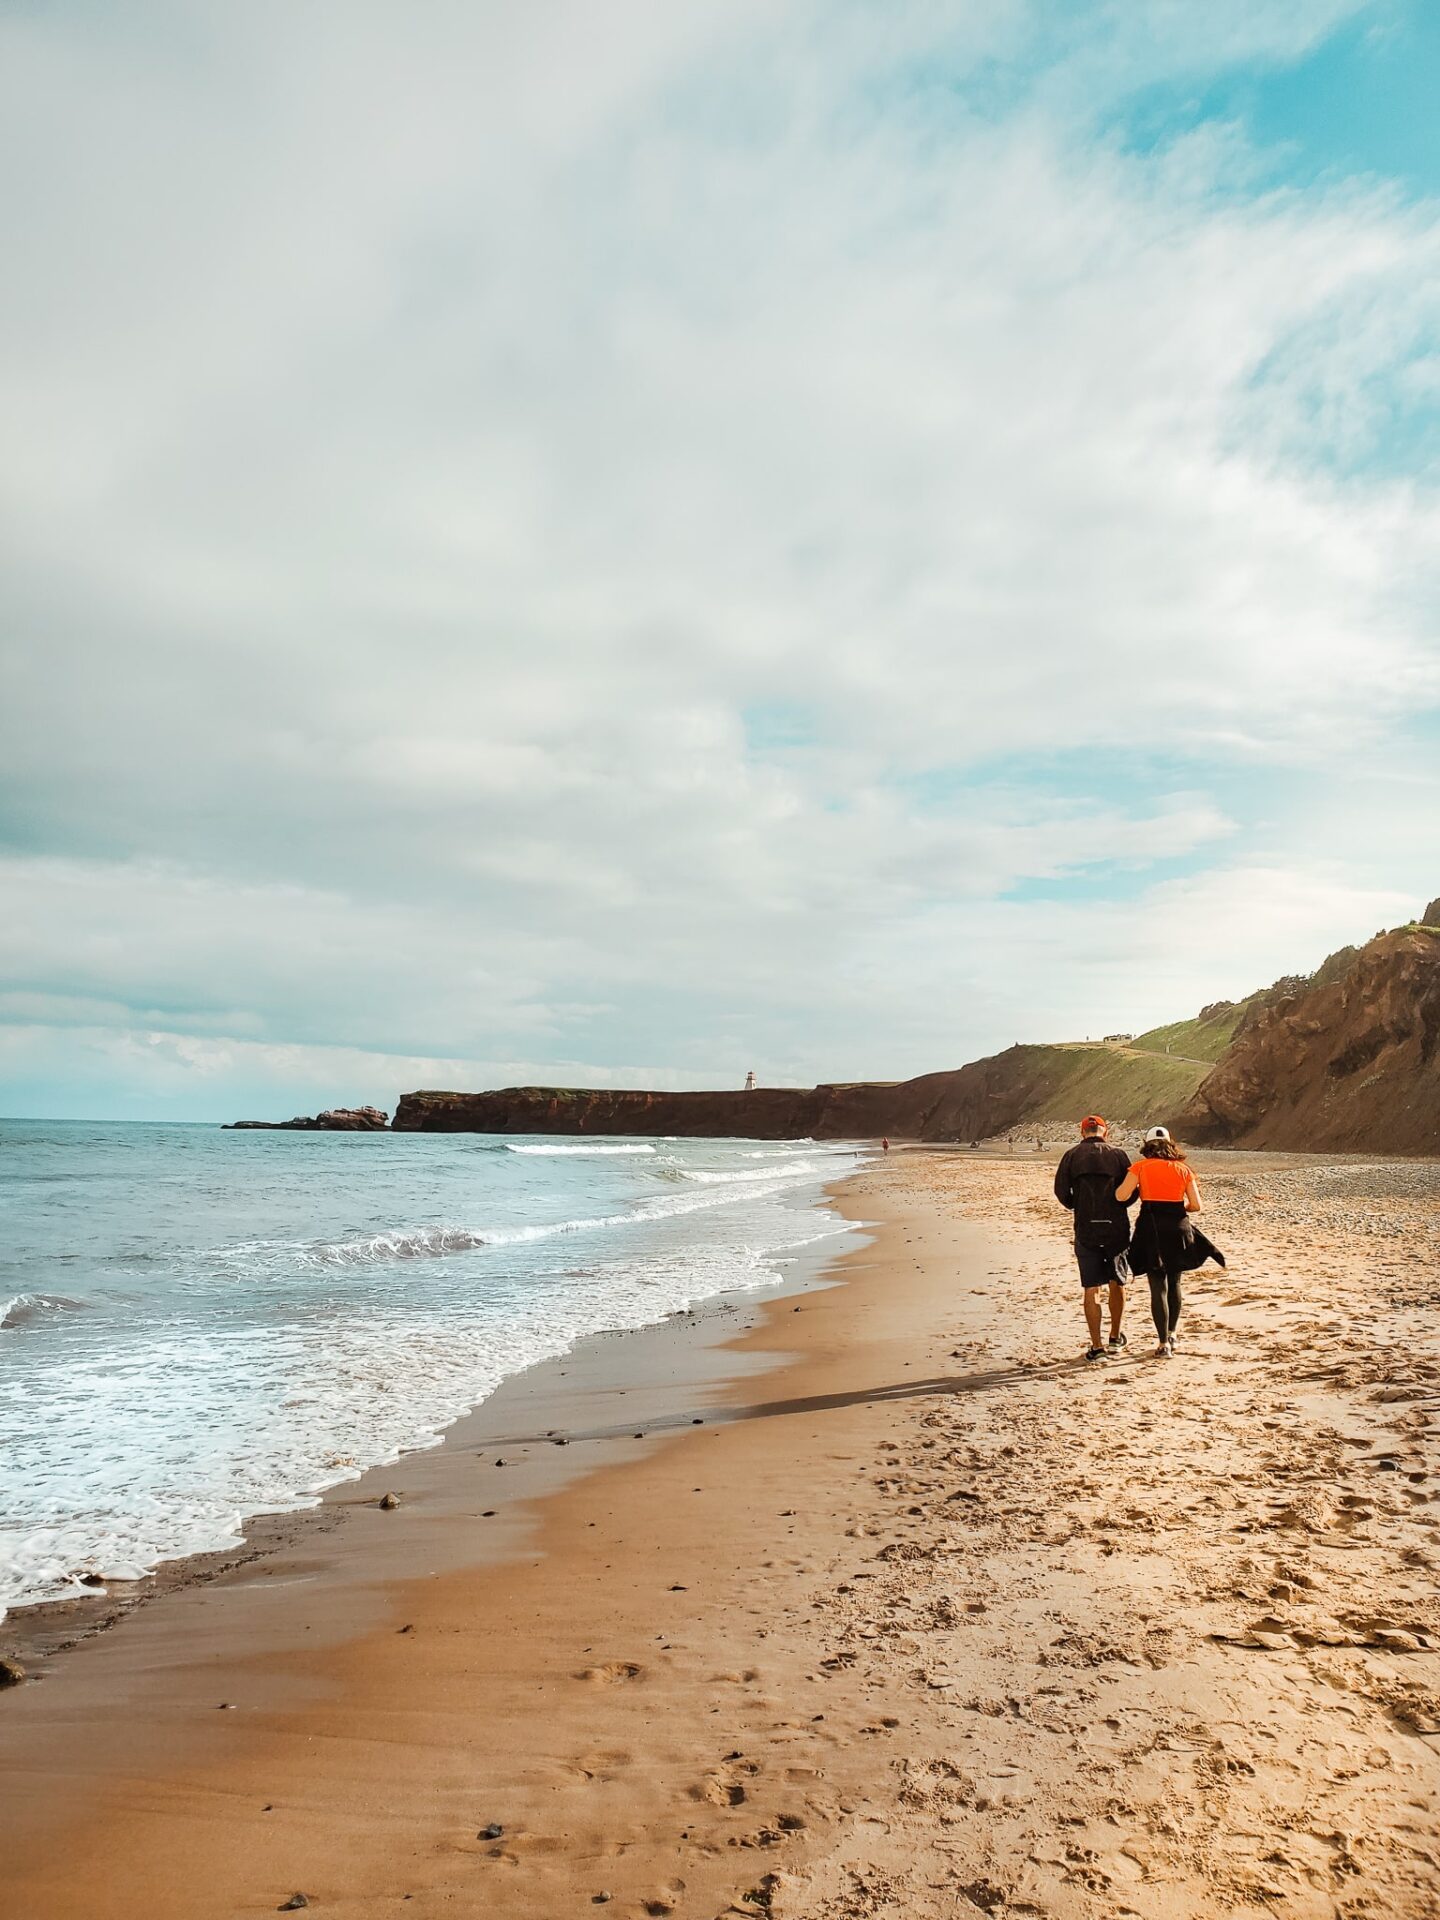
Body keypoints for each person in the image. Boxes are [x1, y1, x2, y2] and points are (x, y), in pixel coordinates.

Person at [1115, 1127, 1222, 1358]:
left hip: (1150, 1228)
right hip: (1177, 1227)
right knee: (1175, 1283)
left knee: (1158, 1286)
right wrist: (1175, 1207)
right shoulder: (1184, 1170)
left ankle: (1163, 1343)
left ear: (1148, 1145)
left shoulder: (1140, 1167)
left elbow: (1121, 1196)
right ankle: (1173, 1334)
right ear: (1170, 1144)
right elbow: (1196, 1205)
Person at [1053, 1116, 1134, 1362]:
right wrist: (1121, 1205)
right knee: (1116, 1281)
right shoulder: (1118, 1155)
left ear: (1082, 1132)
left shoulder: (1071, 1155)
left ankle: (1096, 1346)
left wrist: (1077, 1205)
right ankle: (1115, 1337)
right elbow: (1132, 1189)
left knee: (1091, 1286)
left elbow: (1060, 1191)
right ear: (1105, 1132)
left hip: (1086, 1227)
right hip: (1116, 1227)